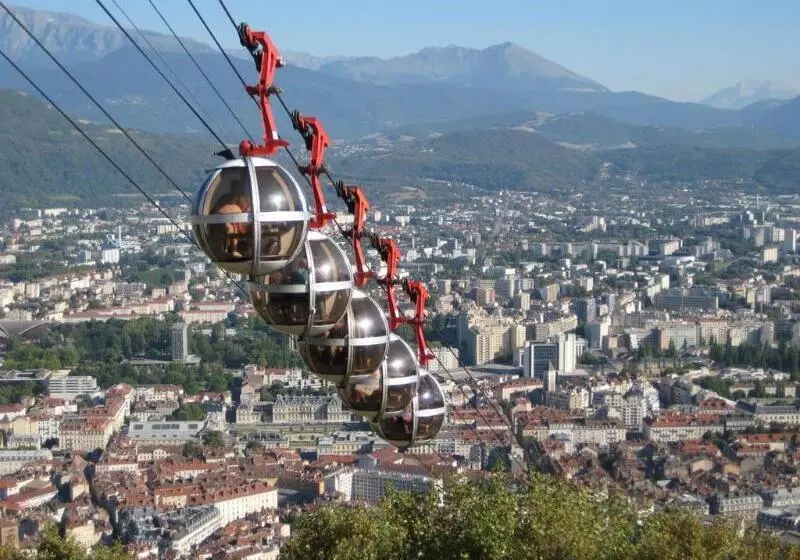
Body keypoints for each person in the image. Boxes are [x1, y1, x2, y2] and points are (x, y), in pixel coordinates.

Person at [213, 187, 251, 258]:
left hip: (215, 228)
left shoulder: (228, 206)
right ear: (244, 205)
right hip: (224, 227)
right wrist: (246, 232)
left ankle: (231, 250)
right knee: (234, 230)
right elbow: (240, 227)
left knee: (233, 228)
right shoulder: (238, 210)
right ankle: (234, 250)